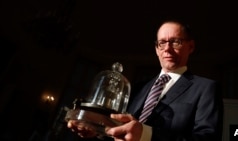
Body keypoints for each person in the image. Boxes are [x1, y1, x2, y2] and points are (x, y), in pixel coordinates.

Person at [67, 19, 224, 141]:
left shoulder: (206, 88)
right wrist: (97, 132)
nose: (167, 49)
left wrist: (146, 135)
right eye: (162, 43)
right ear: (156, 49)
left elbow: (207, 138)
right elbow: (120, 130)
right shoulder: (138, 88)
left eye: (176, 41)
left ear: (190, 46)